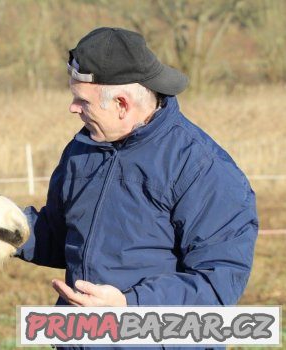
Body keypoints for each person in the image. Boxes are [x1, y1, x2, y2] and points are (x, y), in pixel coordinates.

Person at [16, 27, 258, 349]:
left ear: (122, 104)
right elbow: (61, 236)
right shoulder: (82, 150)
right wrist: (1, 226)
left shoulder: (202, 168)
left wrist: (131, 307)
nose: (73, 108)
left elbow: (218, 283)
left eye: (82, 100)